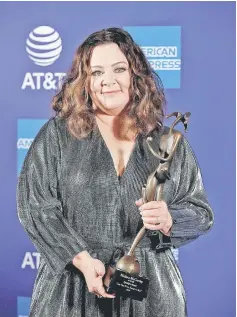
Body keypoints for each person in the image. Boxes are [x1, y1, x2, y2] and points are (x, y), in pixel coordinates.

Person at [17, 27, 214, 317]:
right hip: (70, 290)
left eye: (119, 69)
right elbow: (36, 207)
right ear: (84, 81)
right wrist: (83, 260)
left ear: (135, 76)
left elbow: (201, 213)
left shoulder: (167, 142)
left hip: (151, 294)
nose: (107, 81)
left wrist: (170, 219)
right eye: (96, 72)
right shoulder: (56, 136)